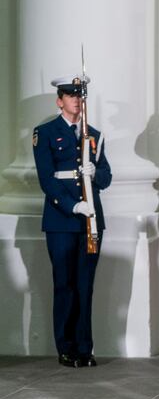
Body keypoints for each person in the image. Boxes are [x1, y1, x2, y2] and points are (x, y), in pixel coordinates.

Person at [32, 75, 112, 368]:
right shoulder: (46, 133)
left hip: (91, 220)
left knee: (85, 284)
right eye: (70, 95)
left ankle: (84, 348)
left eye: (80, 95)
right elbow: (47, 180)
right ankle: (66, 347)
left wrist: (95, 174)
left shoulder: (94, 135)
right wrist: (71, 205)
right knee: (64, 284)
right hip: (62, 220)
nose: (77, 100)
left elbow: (106, 176)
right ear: (60, 100)